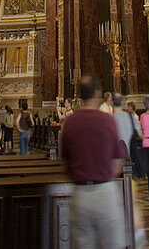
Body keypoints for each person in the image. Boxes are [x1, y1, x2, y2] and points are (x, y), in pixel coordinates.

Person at [59, 75, 126, 249]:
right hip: (105, 192)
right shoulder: (108, 121)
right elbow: (118, 164)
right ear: (98, 94)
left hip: (80, 194)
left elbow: (65, 163)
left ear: (80, 95)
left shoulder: (70, 123)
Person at [112, 93, 136, 158]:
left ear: (112, 103)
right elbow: (140, 134)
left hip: (115, 155)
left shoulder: (109, 118)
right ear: (122, 103)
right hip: (130, 153)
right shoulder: (131, 117)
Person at [126, 101, 146, 179]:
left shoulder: (134, 116)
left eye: (129, 107)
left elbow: (138, 128)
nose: (128, 108)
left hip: (135, 138)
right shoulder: (129, 116)